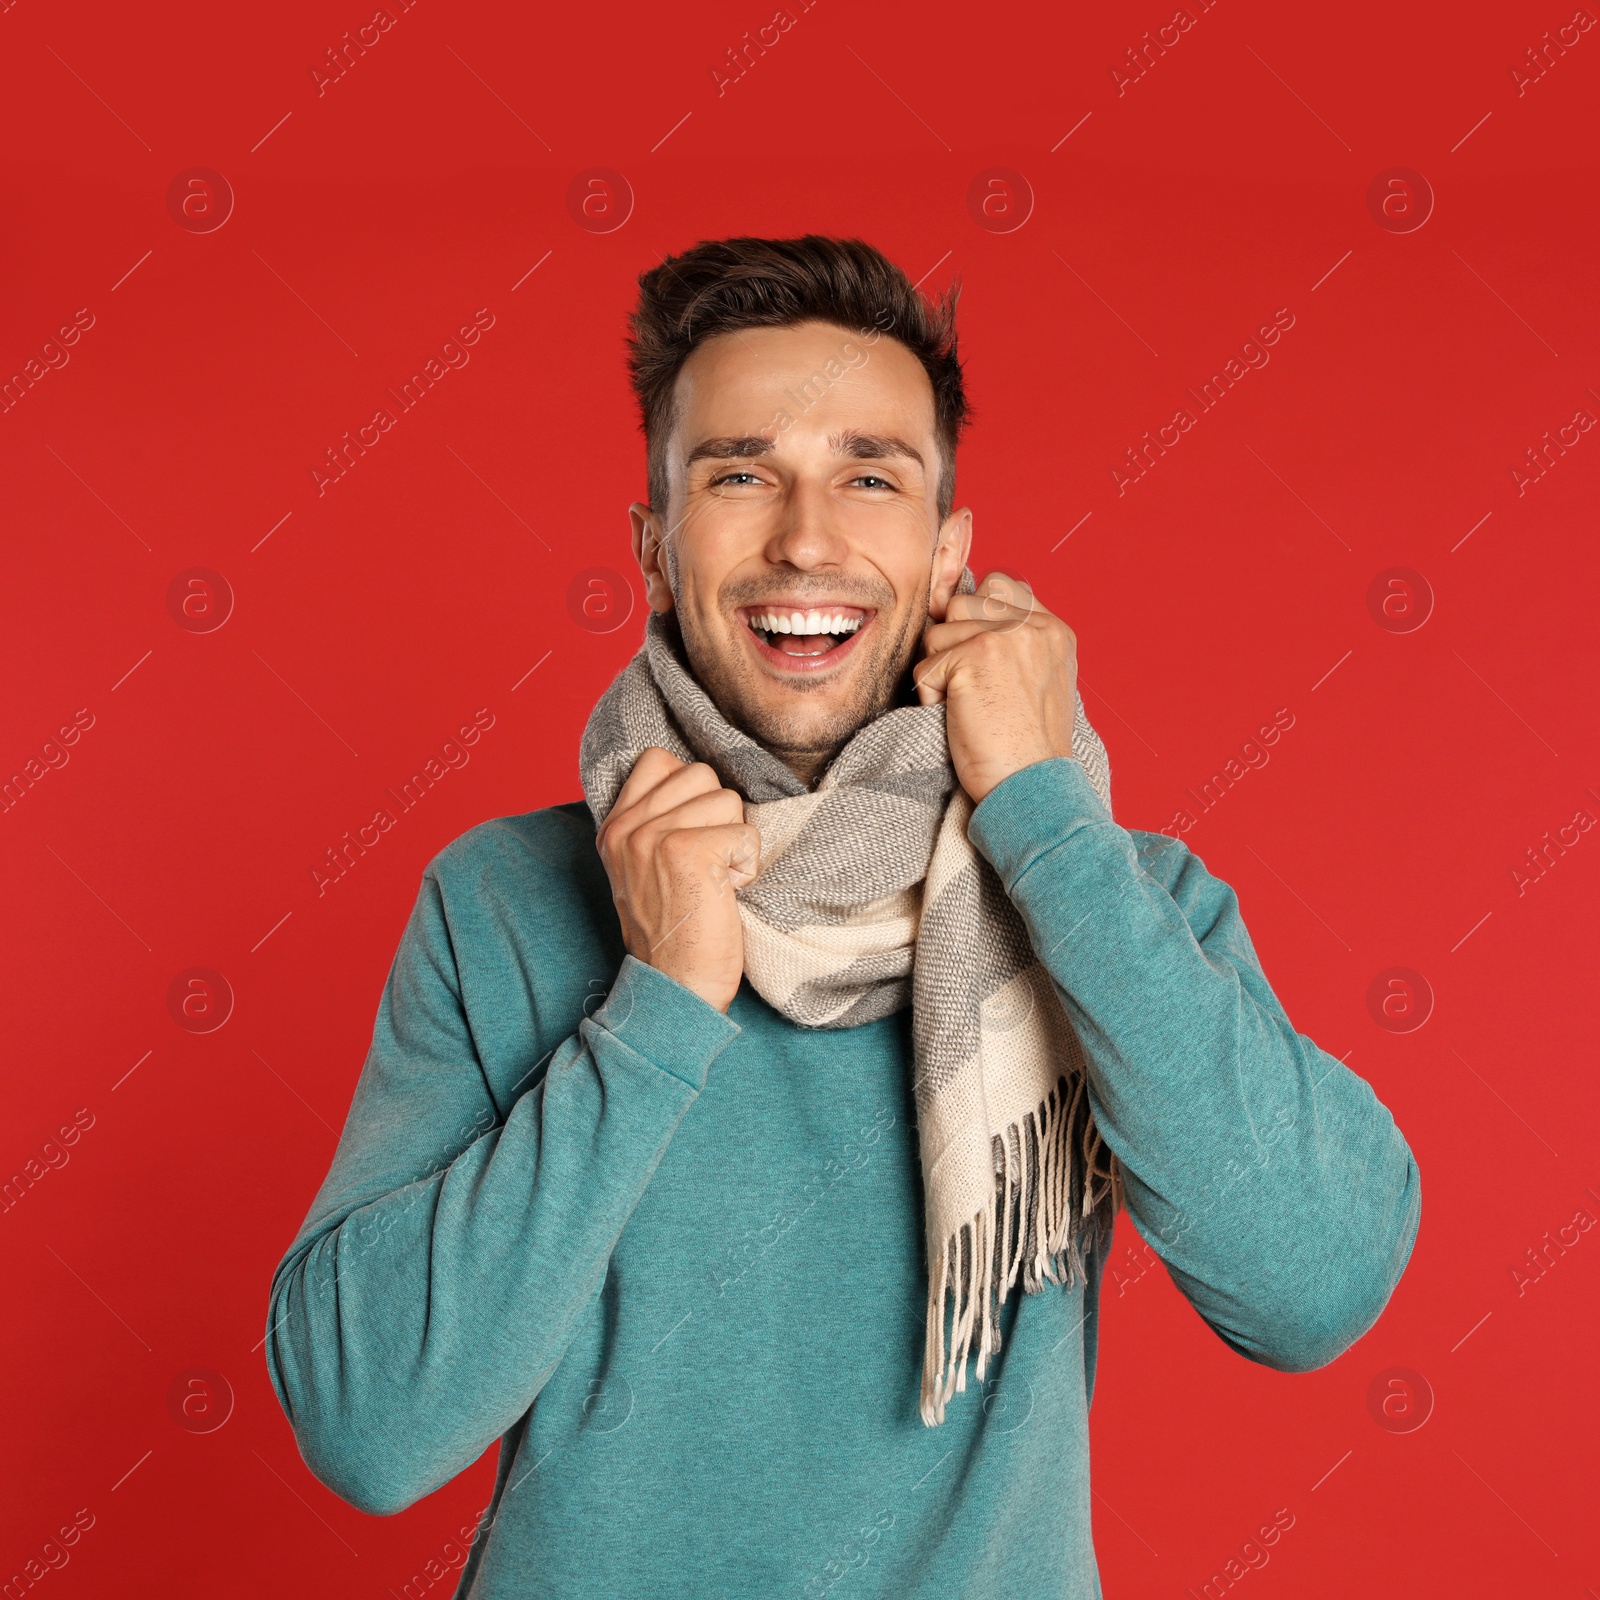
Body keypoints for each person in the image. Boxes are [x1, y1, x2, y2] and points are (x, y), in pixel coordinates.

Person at [265, 235, 1420, 1599]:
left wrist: (1045, 822)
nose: (805, 537)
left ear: (948, 553)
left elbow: (1313, 1290)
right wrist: (657, 1008)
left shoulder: (1113, 893)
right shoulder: (505, 901)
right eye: (738, 473)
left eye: (869, 476)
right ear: (651, 548)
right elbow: (369, 1429)